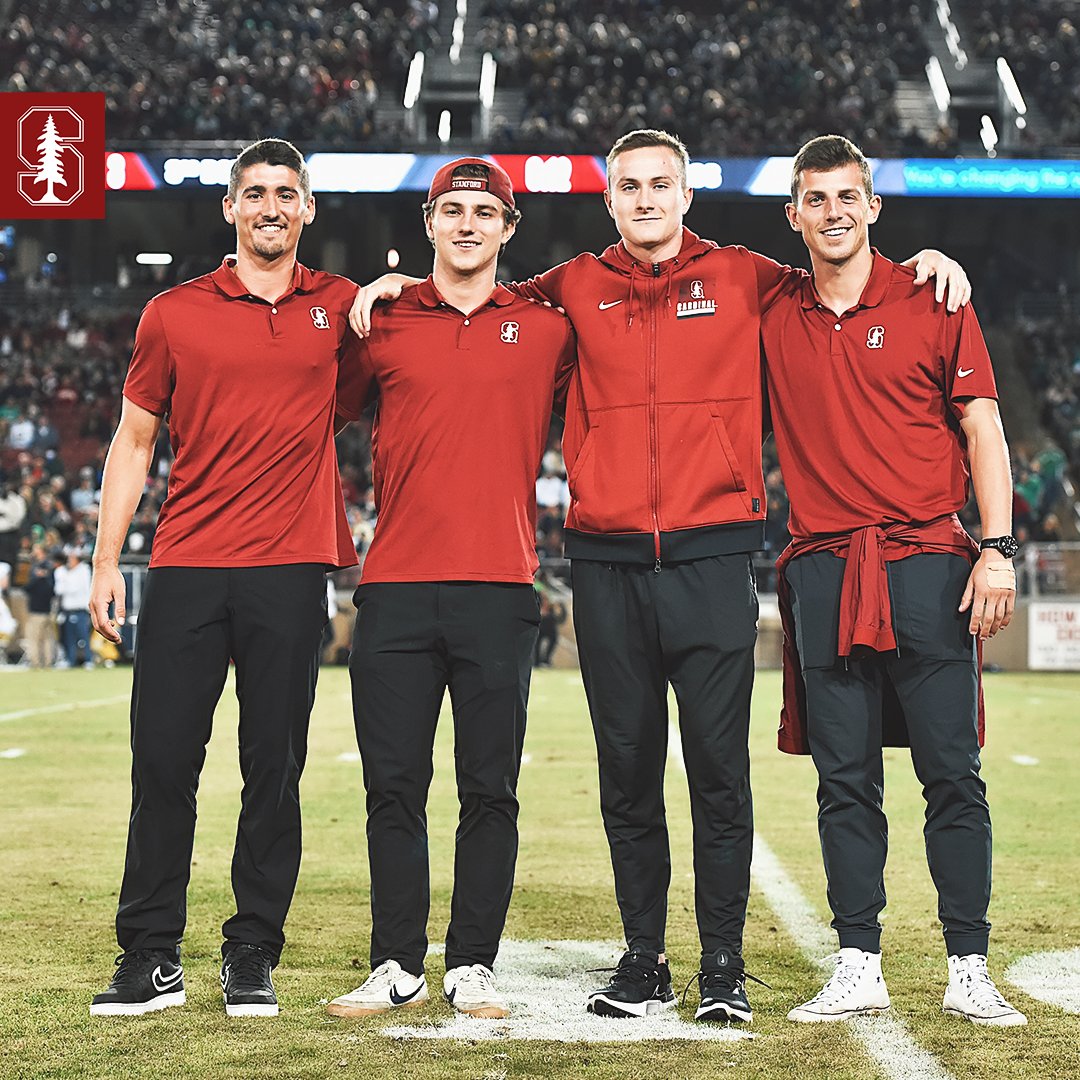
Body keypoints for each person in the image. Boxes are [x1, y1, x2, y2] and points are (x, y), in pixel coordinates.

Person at [349, 130, 968, 1023]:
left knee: (719, 772)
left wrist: (921, 263)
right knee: (627, 771)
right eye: (629, 186)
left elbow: (845, 270)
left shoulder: (747, 276)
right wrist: (395, 287)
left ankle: (721, 963)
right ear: (610, 201)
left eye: (661, 185)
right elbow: (471, 297)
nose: (645, 199)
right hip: (604, 564)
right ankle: (645, 958)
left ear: (687, 195)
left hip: (714, 557)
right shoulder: (569, 288)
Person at [87, 138, 359, 1018]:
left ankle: (252, 950)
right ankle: (150, 952)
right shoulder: (173, 312)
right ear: (231, 209)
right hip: (188, 564)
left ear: (309, 208)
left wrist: (395, 291)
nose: (271, 206)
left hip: (288, 569)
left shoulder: (343, 305)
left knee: (271, 772)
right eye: (255, 193)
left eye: (287, 192)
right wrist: (103, 561)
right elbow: (133, 443)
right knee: (163, 761)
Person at [763, 135, 1026, 1027]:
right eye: (815, 199)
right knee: (845, 779)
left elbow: (982, 428)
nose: (833, 212)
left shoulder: (932, 296)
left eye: (849, 197)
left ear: (874, 207)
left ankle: (968, 966)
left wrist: (999, 547)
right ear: (793, 215)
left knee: (953, 772)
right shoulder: (770, 308)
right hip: (825, 571)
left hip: (929, 566)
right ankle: (857, 963)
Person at [325, 158, 575, 1022]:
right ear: (429, 222)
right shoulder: (381, 323)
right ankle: (395, 960)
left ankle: (472, 964)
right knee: (392, 785)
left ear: (510, 228)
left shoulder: (548, 328)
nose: (467, 225)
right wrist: (367, 293)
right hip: (392, 586)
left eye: (485, 213)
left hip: (501, 588)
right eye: (452, 211)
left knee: (489, 789)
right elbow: (312, 414)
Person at [54, 546, 92, 668]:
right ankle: (70, 660)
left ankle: (88, 660)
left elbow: (77, 588)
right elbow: (58, 590)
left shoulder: (84, 570)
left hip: (81, 609)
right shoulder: (62, 571)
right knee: (68, 638)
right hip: (67, 610)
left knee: (84, 636)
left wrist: (66, 583)